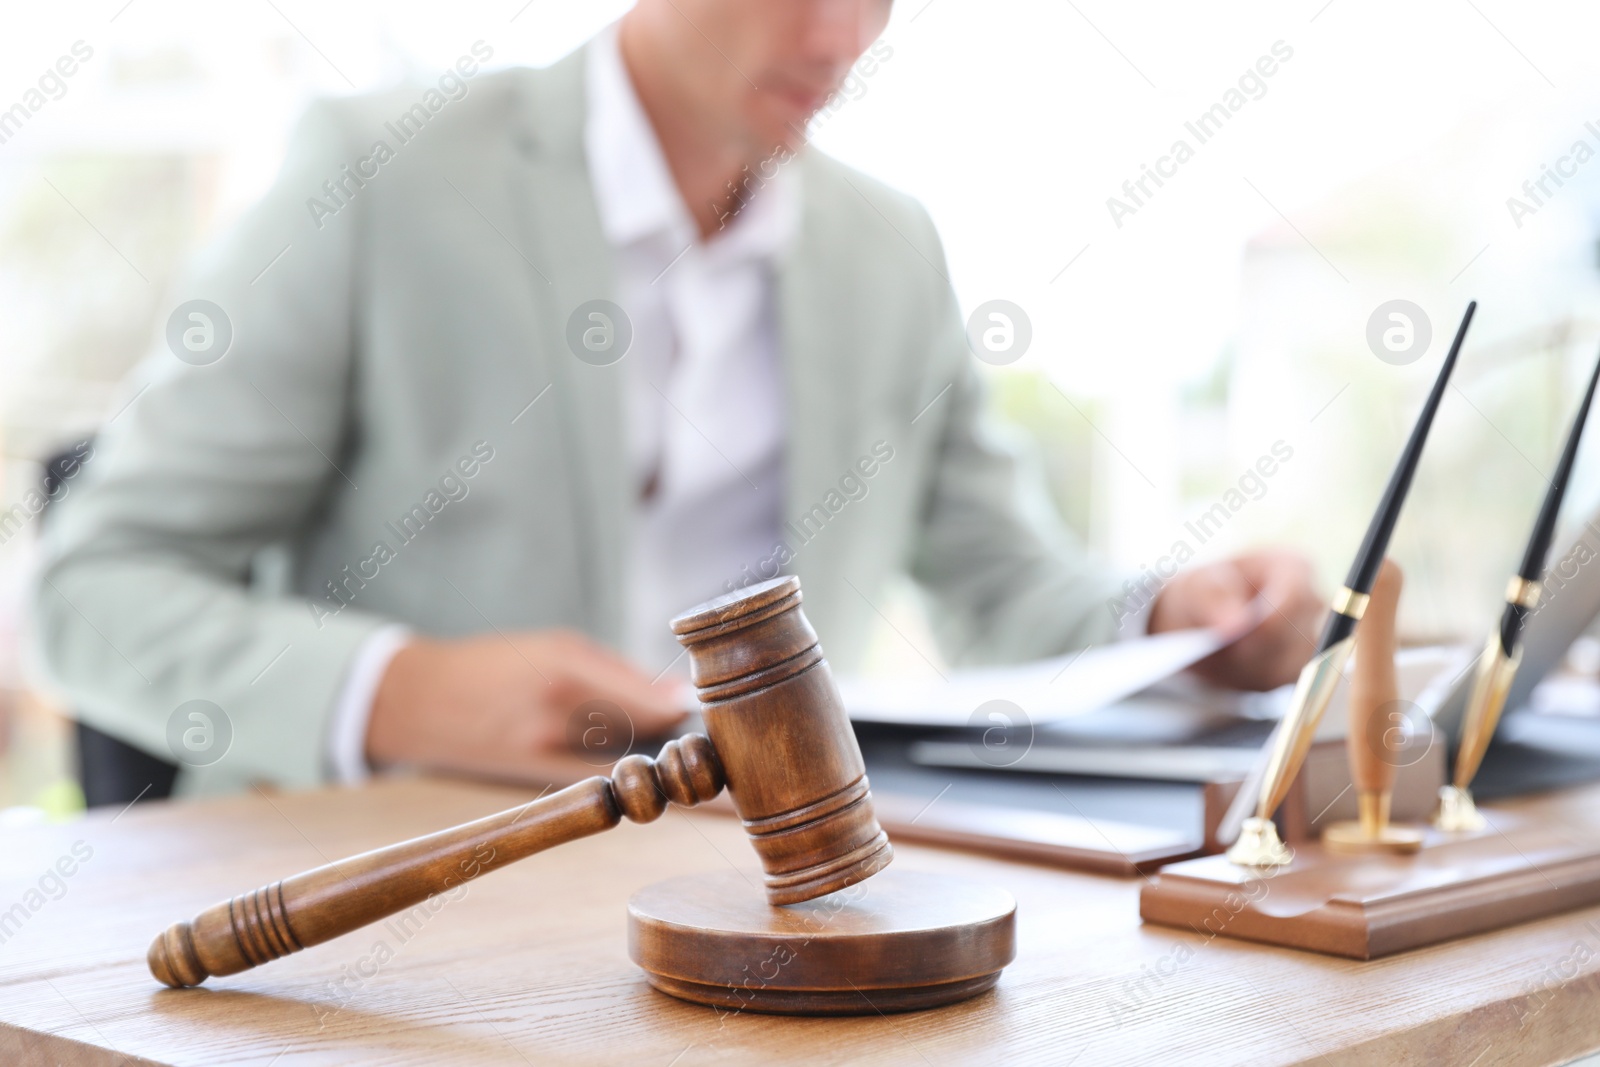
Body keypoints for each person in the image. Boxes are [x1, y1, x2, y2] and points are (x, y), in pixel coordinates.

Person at [33, 0, 1323, 795]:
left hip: (745, 897)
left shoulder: (889, 247)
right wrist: (399, 690)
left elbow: (1003, 584)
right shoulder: (379, 181)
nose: (840, 34)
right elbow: (88, 588)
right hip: (390, 893)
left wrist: (1168, 616)